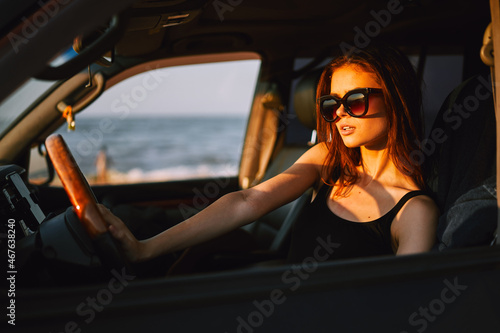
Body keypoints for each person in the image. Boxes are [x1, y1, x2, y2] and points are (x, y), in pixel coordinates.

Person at [99, 45, 439, 265]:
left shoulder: (414, 211)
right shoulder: (328, 159)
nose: (340, 115)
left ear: (395, 99)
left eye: (356, 101)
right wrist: (145, 249)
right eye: (331, 104)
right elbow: (247, 201)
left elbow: (403, 304)